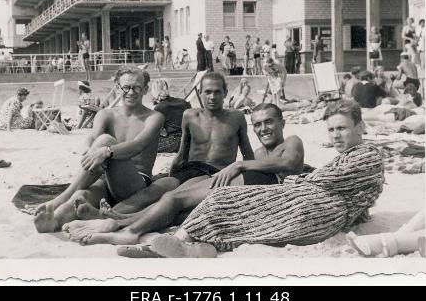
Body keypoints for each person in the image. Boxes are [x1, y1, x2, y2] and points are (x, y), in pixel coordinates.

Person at [141, 100, 384, 257]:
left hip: (317, 210)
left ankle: (181, 242)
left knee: (230, 200)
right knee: (236, 205)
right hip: (317, 207)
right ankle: (198, 246)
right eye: (331, 130)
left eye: (341, 128)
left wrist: (299, 179)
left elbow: (331, 180)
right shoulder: (351, 156)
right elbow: (343, 184)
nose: (335, 136)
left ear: (360, 126)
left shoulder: (367, 155)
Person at [64, 102, 306, 248]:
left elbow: (291, 164)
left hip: (256, 188)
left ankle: (128, 231)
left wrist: (240, 165)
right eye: (258, 124)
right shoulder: (261, 152)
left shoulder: (292, 141)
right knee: (180, 212)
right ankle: (116, 222)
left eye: (269, 122)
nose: (263, 129)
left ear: (282, 123)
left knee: (172, 199)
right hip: (246, 194)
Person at [62, 72, 258, 245]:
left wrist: (246, 172)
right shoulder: (190, 115)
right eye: (207, 92)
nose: (212, 97)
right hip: (188, 169)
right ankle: (106, 217)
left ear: (225, 92)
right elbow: (183, 150)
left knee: (169, 199)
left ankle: (120, 221)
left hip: (214, 172)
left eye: (217, 92)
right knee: (152, 191)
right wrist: (173, 172)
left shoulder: (236, 117)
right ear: (200, 92)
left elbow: (247, 152)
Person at [32, 66, 164, 233]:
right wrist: (89, 149)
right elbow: (91, 138)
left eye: (136, 87)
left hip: (134, 184)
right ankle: (54, 221)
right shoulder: (106, 114)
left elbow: (137, 145)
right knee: (81, 197)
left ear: (145, 89)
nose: (131, 92)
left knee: (106, 140)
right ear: (117, 88)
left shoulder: (154, 117)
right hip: (104, 179)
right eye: (126, 87)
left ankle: (58, 199)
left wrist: (105, 151)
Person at [151, 79, 191, 153]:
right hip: (190, 137)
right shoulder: (183, 101)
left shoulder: (159, 107)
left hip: (176, 141)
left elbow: (162, 132)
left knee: (147, 145)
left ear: (154, 92)